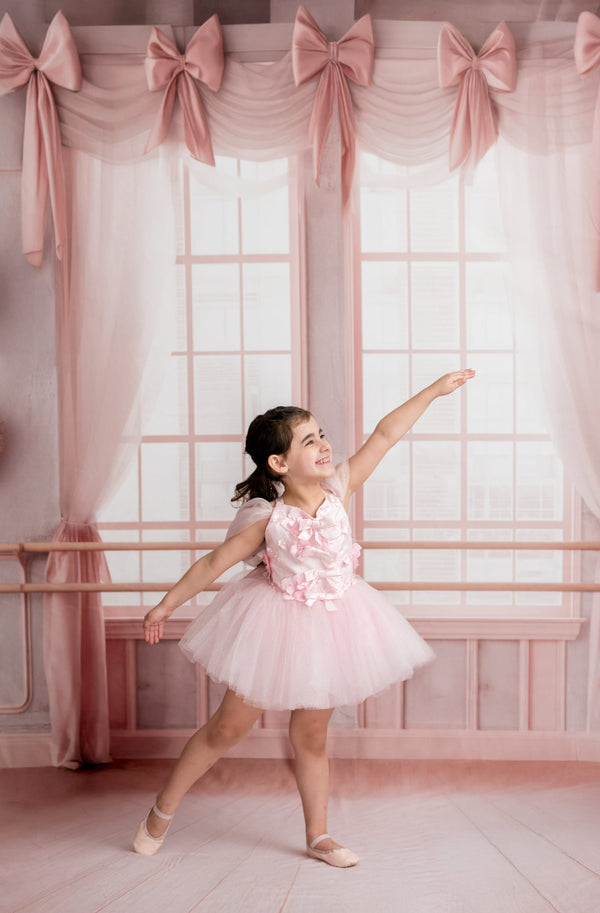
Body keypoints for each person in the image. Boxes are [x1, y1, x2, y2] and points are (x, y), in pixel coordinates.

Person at [133, 369, 475, 866]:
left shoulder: (340, 488)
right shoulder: (266, 518)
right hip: (274, 625)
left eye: (322, 434)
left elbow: (384, 433)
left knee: (312, 734)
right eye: (308, 440)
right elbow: (213, 564)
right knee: (227, 730)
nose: (323, 445)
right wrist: (165, 605)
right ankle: (160, 811)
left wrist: (433, 391)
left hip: (334, 623)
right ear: (279, 462)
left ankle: (319, 834)